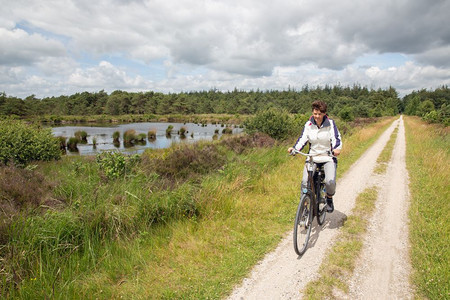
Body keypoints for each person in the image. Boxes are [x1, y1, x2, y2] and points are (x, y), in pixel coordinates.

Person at [288, 100, 342, 212]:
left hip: (327, 156)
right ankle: (305, 207)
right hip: (312, 157)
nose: (317, 116)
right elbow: (303, 139)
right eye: (315, 113)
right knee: (305, 182)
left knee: (330, 181)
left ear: (324, 114)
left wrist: (336, 148)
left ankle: (329, 198)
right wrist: (295, 149)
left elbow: (336, 138)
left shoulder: (330, 124)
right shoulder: (308, 125)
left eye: (319, 114)